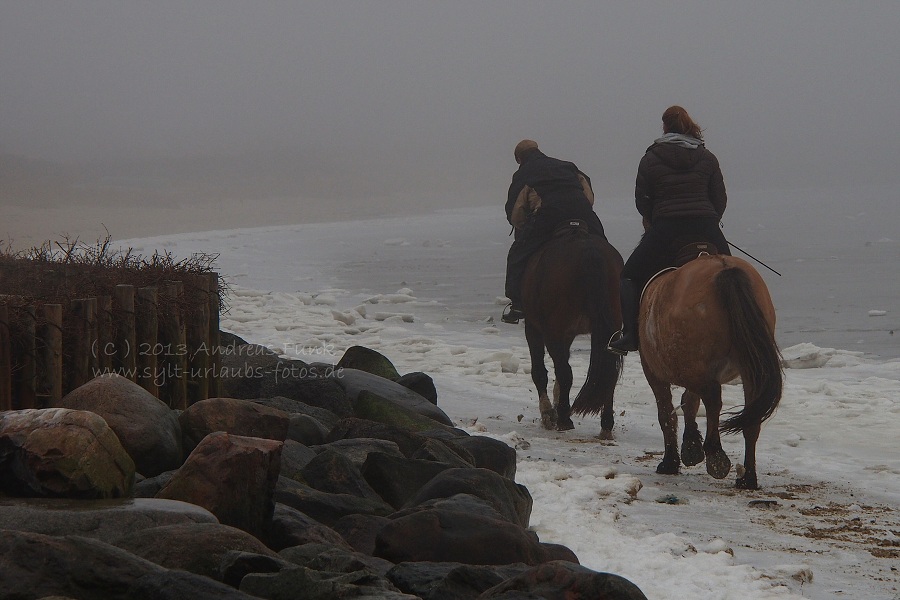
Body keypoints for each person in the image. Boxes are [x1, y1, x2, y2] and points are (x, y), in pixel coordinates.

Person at [608, 105, 731, 354]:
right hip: (706, 225)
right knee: (734, 276)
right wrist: (709, 219)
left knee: (629, 276)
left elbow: (642, 200)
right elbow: (719, 197)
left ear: (665, 127)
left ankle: (630, 335)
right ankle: (740, 330)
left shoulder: (651, 158)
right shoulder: (707, 157)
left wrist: (654, 220)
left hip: (667, 228)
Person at [502, 139, 606, 324]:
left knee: (517, 254)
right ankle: (616, 294)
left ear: (519, 158)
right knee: (604, 247)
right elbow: (587, 192)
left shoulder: (522, 174)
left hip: (548, 214)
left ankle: (517, 304)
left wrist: (523, 227)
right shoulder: (567, 166)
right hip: (581, 211)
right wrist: (582, 210)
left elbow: (516, 211)